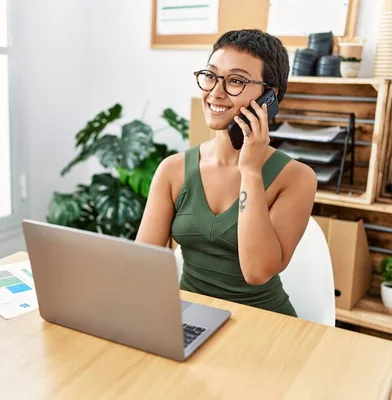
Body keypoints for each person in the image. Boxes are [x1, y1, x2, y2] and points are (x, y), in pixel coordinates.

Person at [135, 29, 317, 317]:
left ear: (269, 96)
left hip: (264, 325)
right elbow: (143, 266)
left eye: (235, 81)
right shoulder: (172, 170)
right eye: (210, 76)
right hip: (191, 318)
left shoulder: (296, 178)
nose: (216, 92)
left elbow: (257, 272)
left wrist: (251, 172)